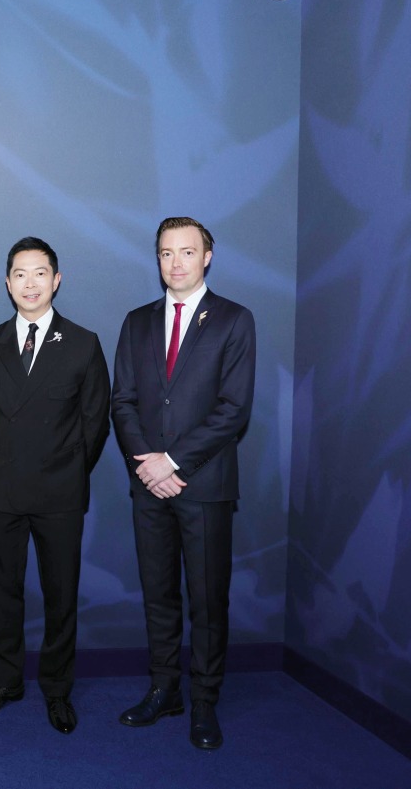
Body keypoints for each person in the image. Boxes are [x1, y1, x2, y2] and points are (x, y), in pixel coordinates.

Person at [111, 216, 256, 750]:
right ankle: (164, 690)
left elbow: (233, 410)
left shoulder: (235, 321)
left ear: (207, 257)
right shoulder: (137, 321)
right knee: (158, 595)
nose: (176, 262)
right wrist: (147, 466)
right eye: (166, 253)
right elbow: (122, 401)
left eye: (187, 252)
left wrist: (172, 462)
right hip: (148, 486)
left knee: (207, 600)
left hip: (204, 485)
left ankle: (204, 704)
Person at [0, 237, 110, 734]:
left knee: (60, 595)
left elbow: (95, 423)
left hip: (60, 491)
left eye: (40, 273)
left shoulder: (83, 342)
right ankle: (6, 683)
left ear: (57, 280)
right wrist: (15, 456)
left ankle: (57, 690)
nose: (30, 283)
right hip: (2, 488)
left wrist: (64, 466)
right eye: (20, 274)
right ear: (7, 284)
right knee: (3, 594)